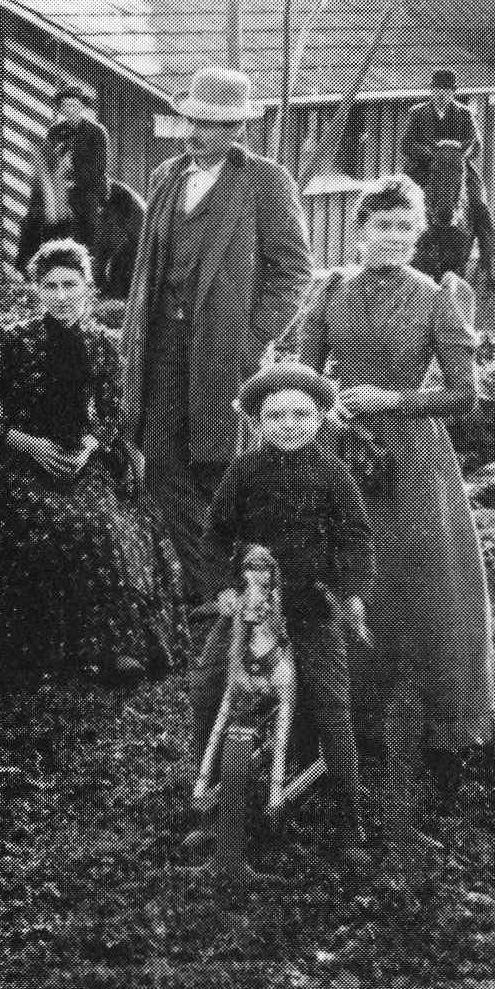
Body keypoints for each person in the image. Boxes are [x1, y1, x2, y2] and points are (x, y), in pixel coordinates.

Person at [298, 174, 495, 799]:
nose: (391, 238)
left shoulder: (438, 297)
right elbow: (302, 371)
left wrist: (389, 401)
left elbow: (463, 395)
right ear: (358, 231)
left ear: (418, 237)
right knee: (334, 575)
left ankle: (441, 732)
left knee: (421, 586)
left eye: (404, 229)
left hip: (412, 459)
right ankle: (332, 725)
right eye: (380, 226)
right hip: (338, 448)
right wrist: (323, 403)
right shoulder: (329, 290)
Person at [118, 65, 315, 606]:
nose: (206, 134)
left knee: (216, 469)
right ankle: (207, 592)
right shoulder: (166, 177)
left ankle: (227, 595)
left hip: (224, 351)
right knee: (161, 470)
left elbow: (294, 271)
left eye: (222, 125)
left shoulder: (266, 182)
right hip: (160, 348)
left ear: (240, 130)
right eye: (199, 122)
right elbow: (148, 267)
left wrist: (254, 338)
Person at [0, 239, 177, 684]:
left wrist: (90, 446)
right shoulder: (11, 342)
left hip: (80, 458)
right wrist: (28, 444)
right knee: (61, 522)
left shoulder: (102, 345)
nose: (60, 295)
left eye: (70, 285)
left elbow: (113, 412)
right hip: (21, 462)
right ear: (37, 291)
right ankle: (49, 645)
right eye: (51, 286)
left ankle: (115, 646)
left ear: (87, 289)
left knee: (113, 523)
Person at [189, 362, 374, 850]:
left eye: (300, 415)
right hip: (253, 602)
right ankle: (210, 801)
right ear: (258, 422)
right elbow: (215, 535)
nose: (288, 425)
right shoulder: (245, 470)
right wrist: (224, 588)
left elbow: (355, 538)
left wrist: (351, 591)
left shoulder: (332, 471)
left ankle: (348, 815)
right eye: (275, 416)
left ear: (318, 420)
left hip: (309, 605)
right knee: (209, 686)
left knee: (330, 701)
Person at [13, 82, 146, 298]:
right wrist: (54, 175)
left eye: (74, 105)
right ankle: (24, 264)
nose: (70, 109)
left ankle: (90, 265)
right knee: (33, 215)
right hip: (59, 184)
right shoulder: (55, 131)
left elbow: (99, 167)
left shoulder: (96, 132)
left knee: (87, 213)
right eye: (65, 105)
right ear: (61, 108)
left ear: (82, 107)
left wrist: (73, 176)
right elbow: (50, 161)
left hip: (89, 185)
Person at [401, 68, 495, 287]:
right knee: (402, 198)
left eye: (446, 90)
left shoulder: (464, 113)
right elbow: (406, 144)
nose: (441, 94)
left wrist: (458, 153)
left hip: (456, 168)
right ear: (431, 91)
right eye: (437, 90)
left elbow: (476, 144)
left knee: (479, 204)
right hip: (424, 168)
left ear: (453, 92)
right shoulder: (418, 113)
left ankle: (491, 260)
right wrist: (429, 154)